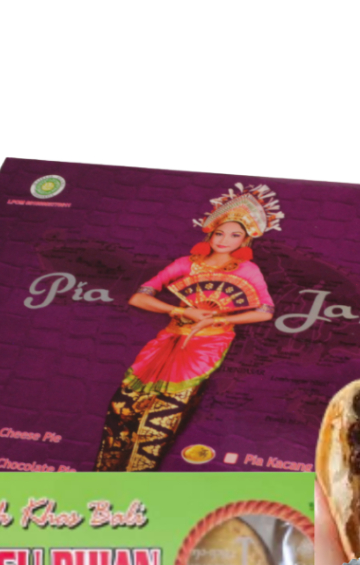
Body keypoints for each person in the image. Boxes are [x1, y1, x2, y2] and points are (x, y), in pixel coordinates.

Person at [95, 183, 284, 471]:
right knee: (122, 407)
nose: (224, 240)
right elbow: (139, 297)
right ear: (210, 233)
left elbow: (265, 311)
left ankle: (135, 477)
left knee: (162, 418)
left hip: (207, 344)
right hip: (169, 338)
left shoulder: (247, 270)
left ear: (246, 240)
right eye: (219, 233)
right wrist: (181, 310)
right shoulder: (186, 264)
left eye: (235, 235)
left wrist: (217, 319)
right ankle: (104, 473)